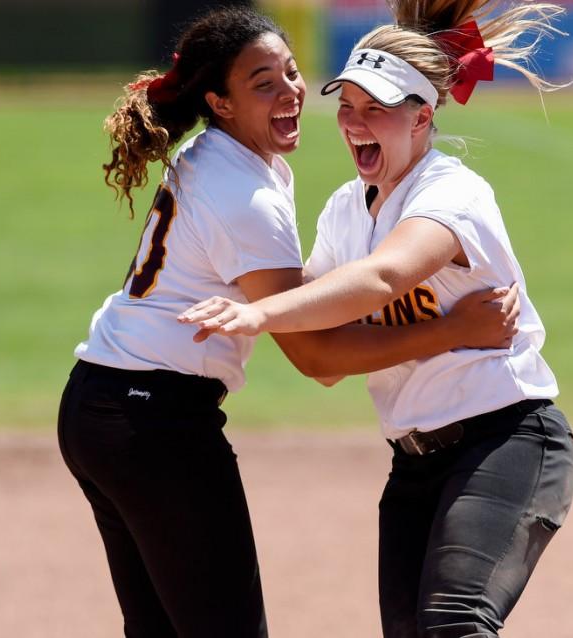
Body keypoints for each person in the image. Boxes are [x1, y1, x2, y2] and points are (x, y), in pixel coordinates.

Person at [59, 6, 522, 637]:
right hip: (154, 421)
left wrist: (303, 302)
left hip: (102, 402)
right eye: (263, 83)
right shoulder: (248, 194)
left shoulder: (221, 157)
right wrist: (450, 330)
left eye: (292, 73)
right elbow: (315, 357)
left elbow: (316, 302)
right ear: (220, 103)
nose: (290, 92)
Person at [178, 1, 573, 636]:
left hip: (506, 440)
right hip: (413, 464)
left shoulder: (451, 193)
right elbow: (323, 358)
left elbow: (382, 278)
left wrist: (259, 312)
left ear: (422, 117)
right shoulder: (345, 210)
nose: (354, 122)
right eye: (347, 105)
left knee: (453, 623)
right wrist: (449, 331)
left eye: (377, 108)